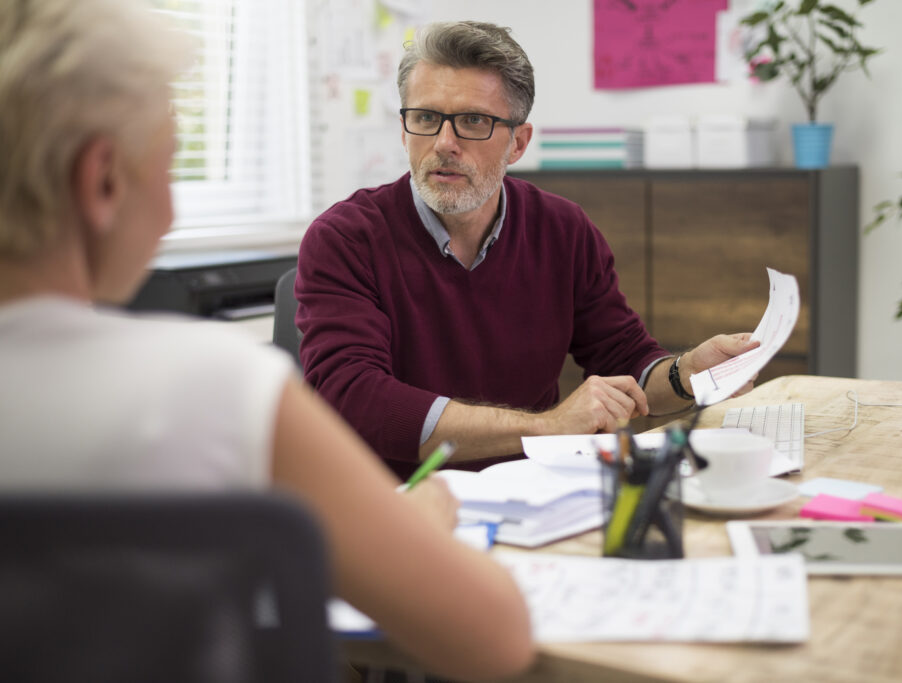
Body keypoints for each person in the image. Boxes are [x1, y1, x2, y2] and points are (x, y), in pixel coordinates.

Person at [0, 2, 533, 680]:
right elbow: (496, 639)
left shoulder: (557, 229)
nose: (168, 210)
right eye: (167, 164)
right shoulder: (211, 386)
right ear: (101, 179)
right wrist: (422, 522)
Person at [296, 20, 759, 478]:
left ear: (518, 142)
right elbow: (355, 400)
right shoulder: (344, 238)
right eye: (425, 118)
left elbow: (627, 364)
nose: (444, 143)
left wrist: (689, 372)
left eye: (473, 121)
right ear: (403, 130)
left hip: (534, 495)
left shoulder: (564, 229)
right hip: (399, 505)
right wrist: (546, 428)